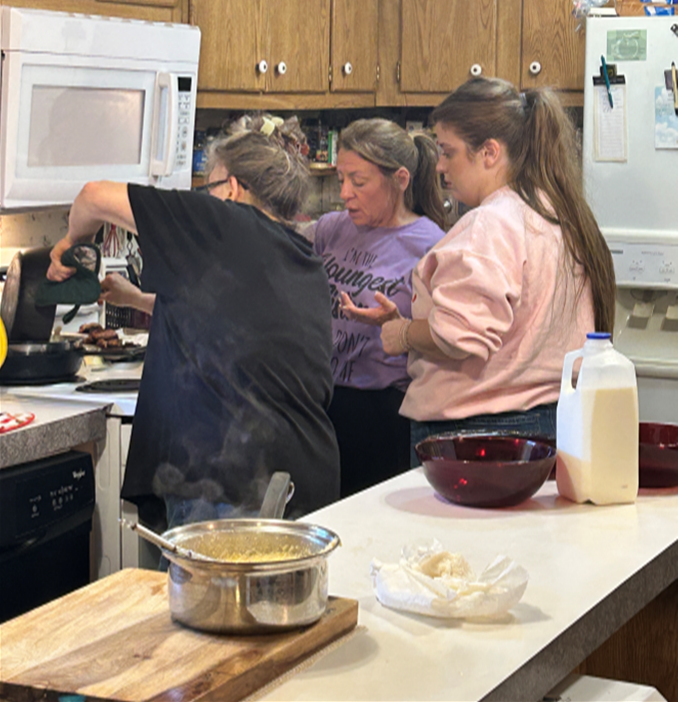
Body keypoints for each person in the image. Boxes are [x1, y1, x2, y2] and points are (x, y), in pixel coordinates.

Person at [47, 115, 340, 532]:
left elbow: (93, 197)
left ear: (234, 188)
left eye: (209, 187)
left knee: (206, 599)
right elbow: (226, 317)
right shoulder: (300, 256)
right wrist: (135, 298)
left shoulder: (222, 221)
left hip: (233, 487)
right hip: (301, 476)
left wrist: (68, 243)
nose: (204, 198)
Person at [346, 78, 615, 452]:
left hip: (477, 435)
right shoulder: (557, 212)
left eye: (448, 151)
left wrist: (403, 334)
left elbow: (460, 336)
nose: (439, 165)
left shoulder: (490, 223)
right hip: (553, 421)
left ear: (489, 152)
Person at [312, 118, 447, 497]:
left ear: (400, 179)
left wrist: (399, 326)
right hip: (323, 403)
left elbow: (448, 338)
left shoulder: (431, 245)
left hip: (384, 413)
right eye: (341, 179)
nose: (345, 194)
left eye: (358, 182)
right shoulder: (329, 230)